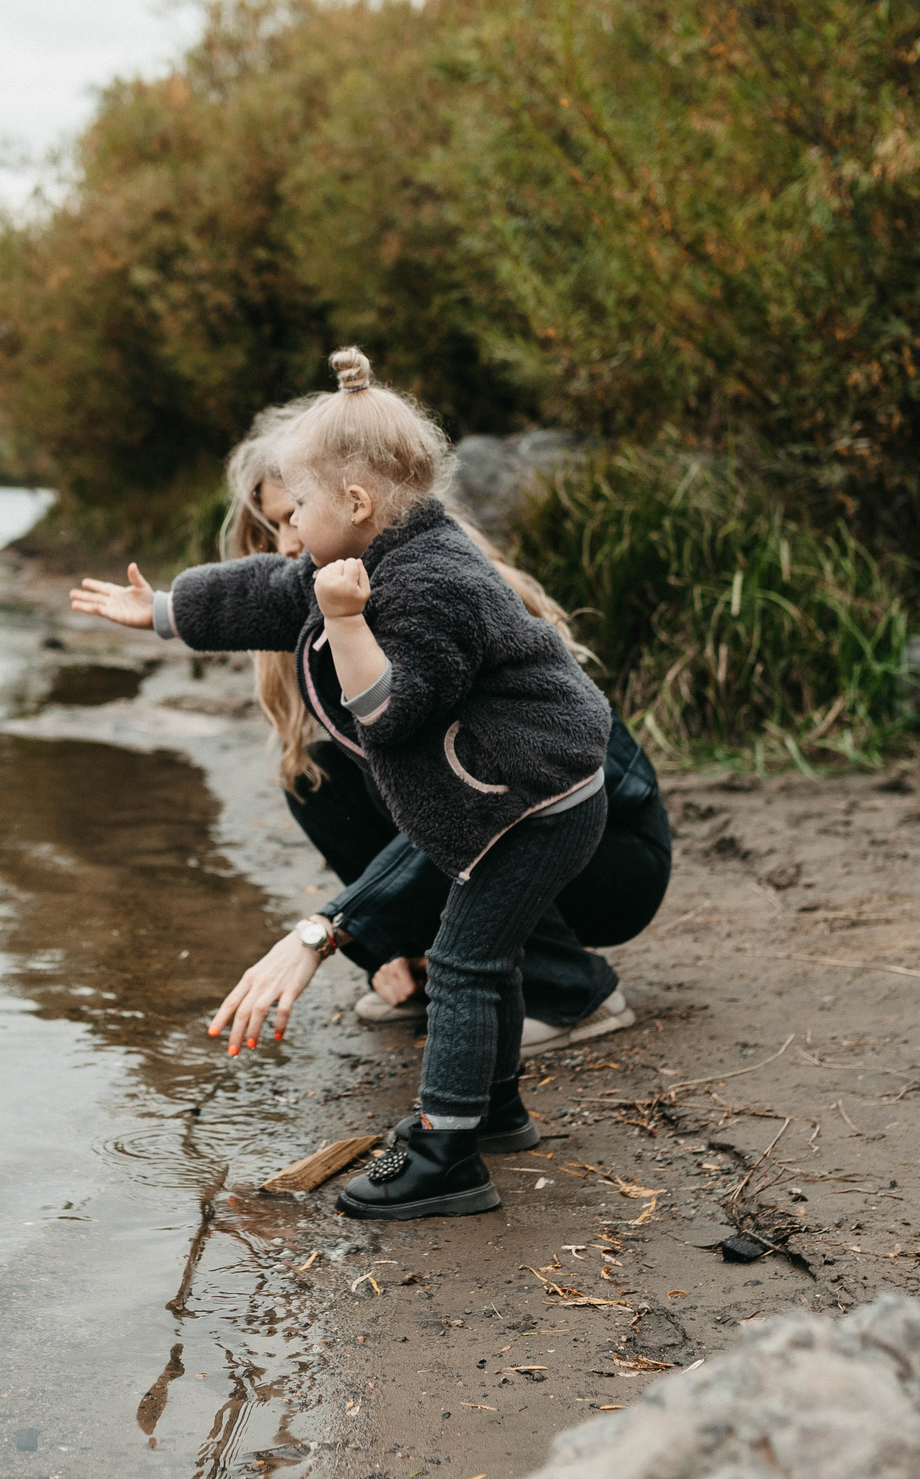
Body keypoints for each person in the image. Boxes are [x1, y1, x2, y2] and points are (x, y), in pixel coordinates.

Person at [71, 347, 612, 1220]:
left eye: (300, 507)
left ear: (356, 504)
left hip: (531, 801)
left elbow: (390, 711)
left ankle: (446, 1153)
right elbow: (262, 592)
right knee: (492, 954)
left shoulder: (433, 582)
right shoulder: (370, 555)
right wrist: (166, 611)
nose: (289, 531)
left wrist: (346, 621)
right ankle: (496, 1111)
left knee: (467, 961)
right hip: (520, 795)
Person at [212, 408, 671, 1064]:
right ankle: (426, 962)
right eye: (272, 525)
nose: (285, 545)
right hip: (508, 835)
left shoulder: (439, 596)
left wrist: (328, 927)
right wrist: (382, 948)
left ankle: (573, 990)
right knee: (316, 776)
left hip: (609, 855)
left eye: (295, 514)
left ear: (357, 504)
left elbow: (470, 802)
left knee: (456, 792)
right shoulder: (333, 614)